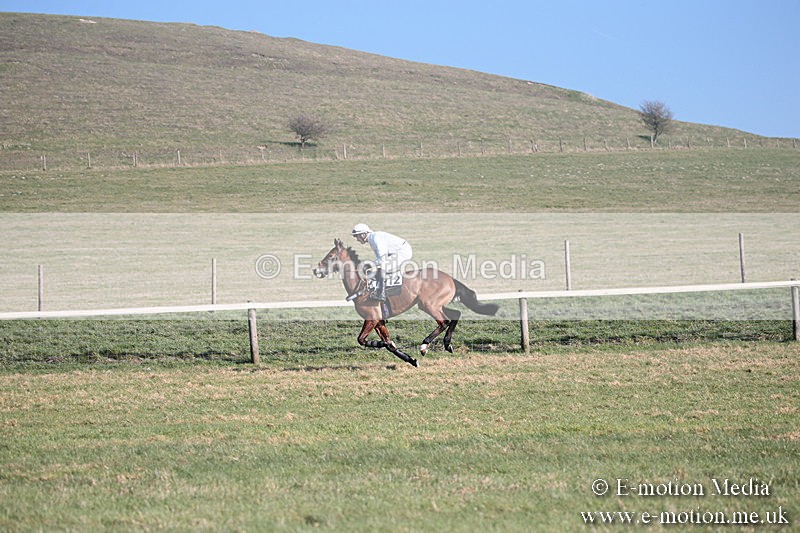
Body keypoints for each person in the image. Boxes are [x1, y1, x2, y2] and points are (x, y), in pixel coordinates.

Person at [351, 223, 412, 301]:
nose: (357, 239)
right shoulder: (372, 239)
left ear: (363, 234)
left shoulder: (376, 237)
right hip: (397, 251)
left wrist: (370, 264)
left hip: (403, 251)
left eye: (357, 236)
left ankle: (381, 294)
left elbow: (382, 258)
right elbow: (379, 259)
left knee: (384, 267)